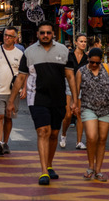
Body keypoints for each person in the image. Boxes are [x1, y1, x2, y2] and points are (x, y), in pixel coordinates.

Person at [7, 21, 78, 186]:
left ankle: (49, 164)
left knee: (54, 133)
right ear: (38, 34)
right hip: (37, 98)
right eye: (42, 33)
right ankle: (43, 171)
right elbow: (21, 78)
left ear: (53, 34)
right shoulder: (30, 52)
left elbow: (70, 77)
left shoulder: (63, 51)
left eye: (48, 32)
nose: (45, 35)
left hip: (58, 98)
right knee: (42, 131)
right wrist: (11, 100)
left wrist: (74, 99)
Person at [75, 48, 109, 182]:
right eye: (92, 62)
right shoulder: (81, 72)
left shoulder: (107, 68)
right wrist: (75, 105)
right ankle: (90, 166)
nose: (94, 65)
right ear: (88, 59)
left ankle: (98, 170)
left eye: (97, 63)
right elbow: (76, 90)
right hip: (88, 107)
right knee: (91, 137)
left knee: (102, 139)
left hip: (106, 108)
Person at [0, 26, 24, 155]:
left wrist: (24, 88)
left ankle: (6, 142)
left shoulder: (19, 54)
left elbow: (23, 74)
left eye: (9, 36)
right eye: (5, 35)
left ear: (15, 38)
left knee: (8, 118)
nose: (6, 38)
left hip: (13, 93)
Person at [61, 33, 88, 150]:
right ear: (76, 42)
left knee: (79, 114)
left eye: (85, 42)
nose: (83, 44)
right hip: (68, 85)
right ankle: (63, 135)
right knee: (68, 114)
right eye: (81, 41)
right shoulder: (68, 55)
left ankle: (79, 141)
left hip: (81, 86)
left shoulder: (87, 58)